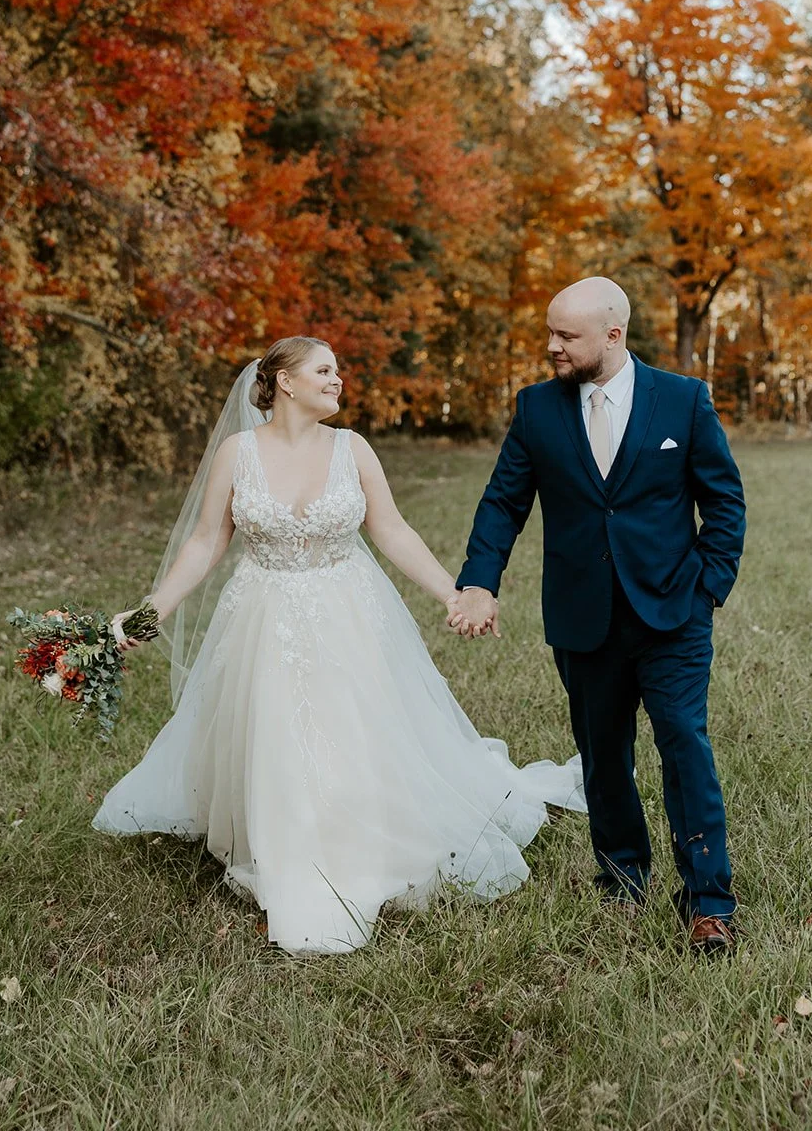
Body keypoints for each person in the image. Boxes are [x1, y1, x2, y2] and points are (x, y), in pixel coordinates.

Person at [94, 335, 585, 954]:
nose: (338, 381)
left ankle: (360, 837)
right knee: (273, 731)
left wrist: (453, 594)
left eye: (338, 371)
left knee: (355, 727)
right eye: (324, 370)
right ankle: (287, 845)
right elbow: (204, 542)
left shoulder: (352, 448)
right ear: (286, 382)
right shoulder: (237, 454)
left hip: (349, 609)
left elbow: (392, 529)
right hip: (263, 615)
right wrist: (151, 611)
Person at [451, 278, 746, 954]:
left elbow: (724, 503)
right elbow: (503, 503)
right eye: (549, 333)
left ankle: (708, 902)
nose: (551, 346)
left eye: (565, 336)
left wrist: (707, 587)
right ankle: (623, 881)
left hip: (673, 613)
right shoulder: (535, 410)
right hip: (582, 618)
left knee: (684, 747)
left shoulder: (683, 400)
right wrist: (479, 583)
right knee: (604, 758)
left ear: (612, 335)